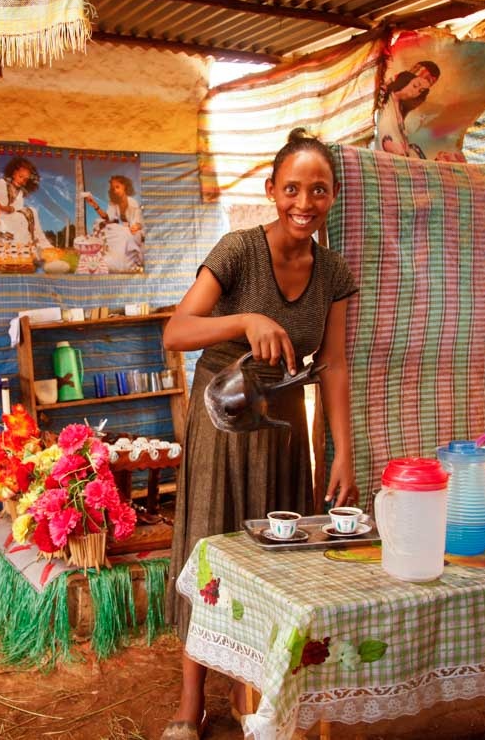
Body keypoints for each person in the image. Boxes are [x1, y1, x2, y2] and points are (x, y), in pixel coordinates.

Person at [160, 129, 358, 739]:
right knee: (213, 544)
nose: (305, 201)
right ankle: (190, 708)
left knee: (281, 558)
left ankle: (270, 699)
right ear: (272, 191)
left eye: (318, 189)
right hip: (223, 417)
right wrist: (246, 320)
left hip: (282, 426)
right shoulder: (239, 251)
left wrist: (342, 449)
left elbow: (335, 365)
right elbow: (175, 331)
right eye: (292, 188)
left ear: (332, 196)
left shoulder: (333, 272)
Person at [0, 156, 53, 269]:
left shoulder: (20, 193)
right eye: (20, 176)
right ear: (13, 173)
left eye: (25, 179)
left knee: (31, 211)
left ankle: (39, 247)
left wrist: (2, 207)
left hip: (9, 219)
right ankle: (12, 252)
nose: (22, 180)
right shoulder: (1, 184)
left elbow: (13, 208)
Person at [376, 60, 440, 159]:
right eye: (415, 85)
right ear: (406, 79)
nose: (415, 92)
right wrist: (388, 144)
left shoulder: (400, 109)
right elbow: (382, 127)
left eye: (421, 91)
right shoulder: (385, 99)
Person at [85, 174, 145, 272]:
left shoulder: (132, 202)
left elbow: (139, 223)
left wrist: (135, 227)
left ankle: (124, 263)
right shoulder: (114, 202)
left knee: (124, 234)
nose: (115, 190)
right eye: (113, 188)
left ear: (125, 187)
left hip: (135, 231)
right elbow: (108, 218)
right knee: (101, 223)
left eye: (118, 187)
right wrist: (95, 205)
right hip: (123, 230)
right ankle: (109, 260)